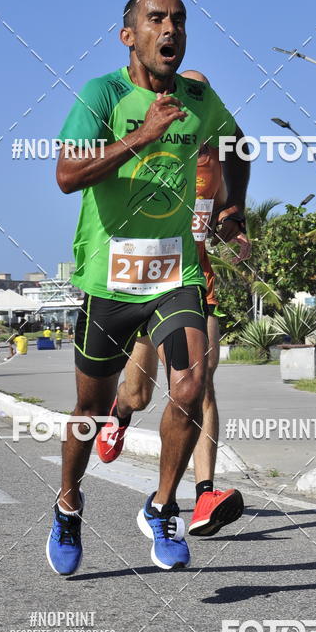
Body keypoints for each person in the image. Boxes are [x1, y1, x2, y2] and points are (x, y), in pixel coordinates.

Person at [46, 0, 249, 576]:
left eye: (179, 21)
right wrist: (143, 135)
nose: (170, 30)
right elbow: (66, 174)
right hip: (108, 280)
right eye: (156, 19)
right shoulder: (102, 94)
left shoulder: (198, 97)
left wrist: (235, 206)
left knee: (191, 386)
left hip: (174, 273)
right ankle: (67, 504)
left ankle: (162, 507)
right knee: (91, 407)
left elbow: (237, 147)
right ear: (129, 34)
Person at [96, 69, 252, 536]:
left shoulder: (214, 160)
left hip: (192, 282)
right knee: (138, 393)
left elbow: (223, 202)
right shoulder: (153, 142)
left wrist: (232, 223)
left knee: (200, 385)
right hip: (144, 284)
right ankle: (119, 415)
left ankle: (205, 495)